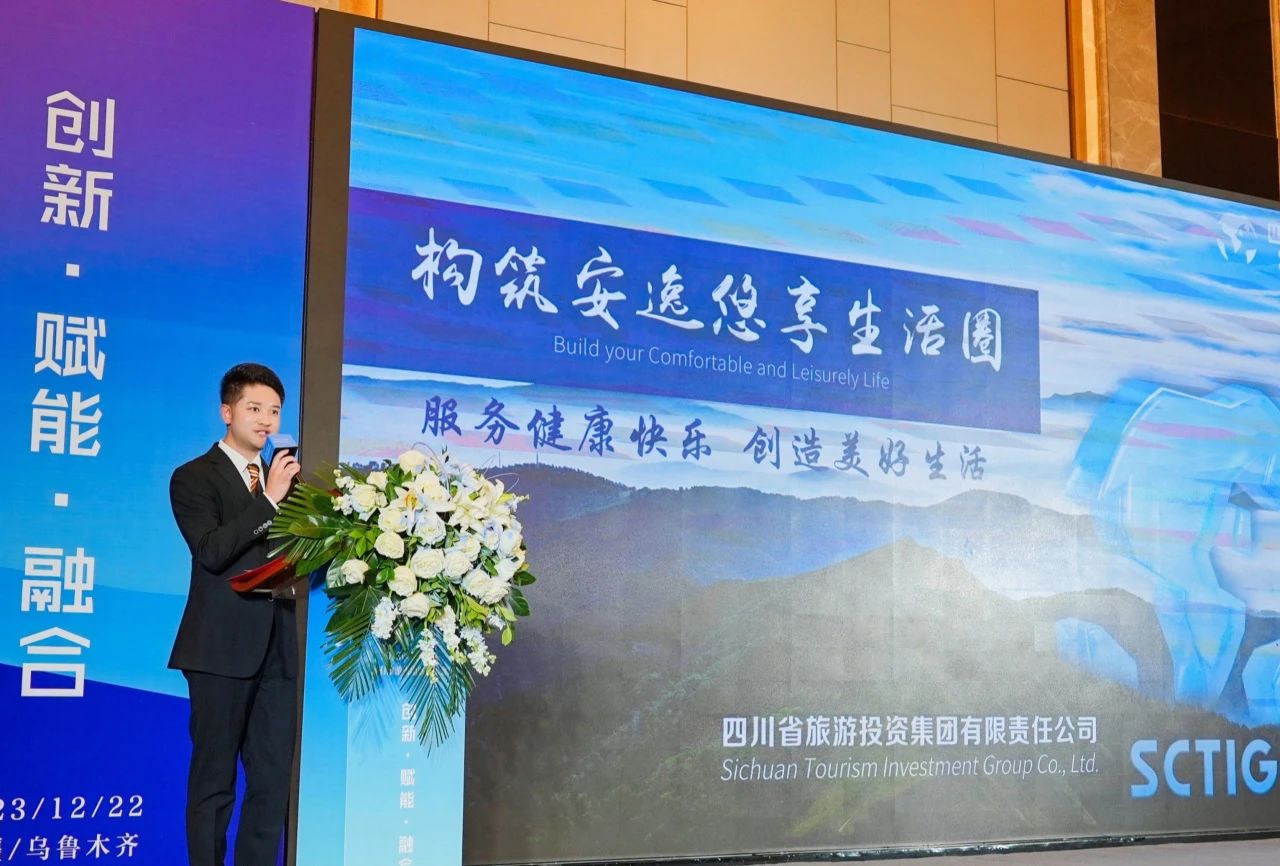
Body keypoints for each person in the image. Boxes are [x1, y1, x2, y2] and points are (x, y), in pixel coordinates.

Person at [167, 362, 302, 866]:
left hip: (278, 649)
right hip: (218, 651)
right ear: (227, 412)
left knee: (272, 782)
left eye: (274, 411)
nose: (266, 420)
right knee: (214, 781)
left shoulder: (289, 483)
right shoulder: (193, 477)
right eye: (254, 408)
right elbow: (212, 551)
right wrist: (269, 499)